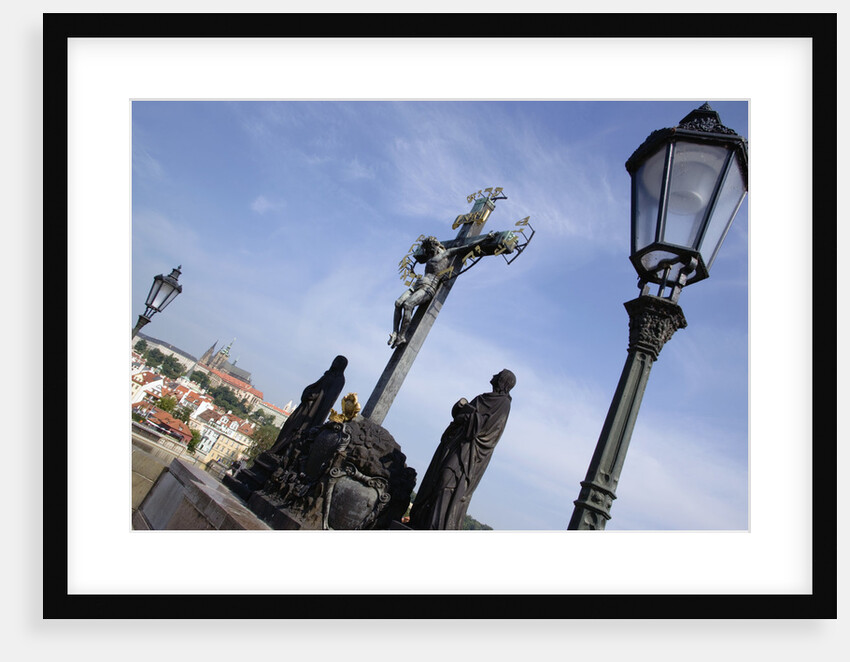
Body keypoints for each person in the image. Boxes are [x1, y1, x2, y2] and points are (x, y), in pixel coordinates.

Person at [409, 369, 516, 530]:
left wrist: (469, 416)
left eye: (498, 375)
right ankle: (423, 522)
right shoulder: (484, 397)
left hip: (469, 452)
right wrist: (461, 408)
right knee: (437, 478)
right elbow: (459, 416)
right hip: (455, 443)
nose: (493, 376)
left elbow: (488, 431)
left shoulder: (503, 404)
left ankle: (437, 527)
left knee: (447, 480)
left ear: (503, 381)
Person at [389, 235, 494, 349]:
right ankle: (395, 332)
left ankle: (402, 336)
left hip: (428, 287)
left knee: (408, 305)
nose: (429, 251)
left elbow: (468, 246)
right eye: (428, 249)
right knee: (398, 302)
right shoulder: (430, 256)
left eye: (431, 248)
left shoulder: (446, 253)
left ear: (436, 246)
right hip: (417, 285)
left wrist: (485, 239)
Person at [269, 355, 348, 457]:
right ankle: (277, 449)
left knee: (297, 431)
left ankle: (283, 453)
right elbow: (318, 386)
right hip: (307, 405)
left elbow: (328, 398)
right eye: (334, 361)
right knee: (290, 424)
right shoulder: (329, 374)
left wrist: (314, 396)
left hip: (313, 410)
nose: (334, 363)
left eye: (337, 362)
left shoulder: (339, 379)